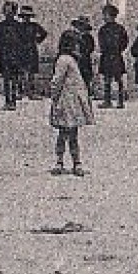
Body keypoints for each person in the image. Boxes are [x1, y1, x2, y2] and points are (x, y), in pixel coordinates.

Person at [49, 29, 95, 176]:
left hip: (72, 102)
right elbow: (57, 81)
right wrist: (54, 97)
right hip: (65, 102)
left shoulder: (72, 60)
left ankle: (75, 162)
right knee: (64, 133)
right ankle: (60, 161)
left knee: (72, 133)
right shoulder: (64, 60)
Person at [0, 2, 26, 110]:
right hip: (4, 56)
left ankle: (13, 101)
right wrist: (2, 53)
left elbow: (23, 42)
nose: (8, 14)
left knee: (15, 80)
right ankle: (8, 101)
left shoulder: (19, 26)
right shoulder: (0, 26)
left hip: (16, 56)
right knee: (6, 80)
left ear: (14, 12)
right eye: (6, 11)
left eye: (10, 11)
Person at [97, 4, 130, 109]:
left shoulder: (106, 29)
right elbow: (124, 42)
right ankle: (113, 101)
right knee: (112, 79)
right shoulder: (118, 29)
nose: (104, 17)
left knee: (114, 79)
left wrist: (115, 50)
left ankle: (115, 101)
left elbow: (124, 43)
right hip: (113, 56)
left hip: (111, 56)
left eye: (105, 15)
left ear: (111, 16)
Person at [70, 15, 97, 98]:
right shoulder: (72, 35)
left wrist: (83, 53)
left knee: (86, 77)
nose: (81, 27)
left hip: (84, 60)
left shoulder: (88, 37)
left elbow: (91, 48)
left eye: (83, 25)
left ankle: (86, 94)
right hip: (74, 60)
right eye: (79, 25)